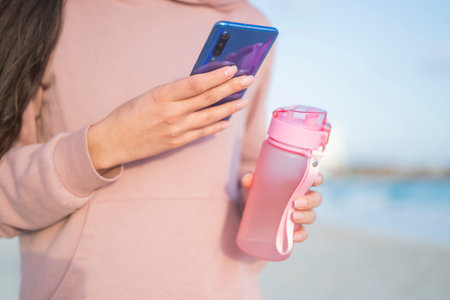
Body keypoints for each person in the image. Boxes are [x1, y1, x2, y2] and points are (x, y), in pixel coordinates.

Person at [0, 0, 323, 299]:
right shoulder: (49, 9)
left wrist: (259, 201)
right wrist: (105, 144)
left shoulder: (249, 23)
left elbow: (245, 164)